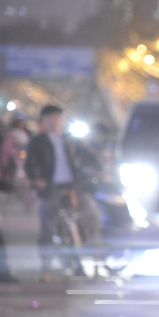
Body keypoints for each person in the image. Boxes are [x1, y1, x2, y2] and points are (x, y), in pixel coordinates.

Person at [24, 105, 102, 281]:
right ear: (43, 121)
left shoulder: (71, 139)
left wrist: (97, 172)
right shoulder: (38, 141)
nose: (54, 121)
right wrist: (36, 180)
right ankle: (46, 269)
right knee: (47, 228)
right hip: (49, 188)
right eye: (50, 117)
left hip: (72, 186)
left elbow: (92, 156)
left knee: (89, 217)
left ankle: (86, 262)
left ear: (63, 119)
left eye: (57, 117)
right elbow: (28, 165)